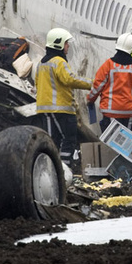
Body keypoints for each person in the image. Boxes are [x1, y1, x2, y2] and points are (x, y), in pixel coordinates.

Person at [35, 27, 91, 171]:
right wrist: (92, 83)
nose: (68, 46)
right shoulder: (59, 62)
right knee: (69, 139)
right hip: (61, 109)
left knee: (52, 140)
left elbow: (37, 83)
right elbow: (69, 79)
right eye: (66, 43)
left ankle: (50, 168)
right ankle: (64, 168)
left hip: (44, 108)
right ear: (58, 44)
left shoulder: (42, 63)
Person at [86, 33, 132, 135]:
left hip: (110, 111)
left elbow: (97, 87)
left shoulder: (108, 65)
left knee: (110, 141)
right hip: (129, 113)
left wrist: (90, 100)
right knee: (126, 142)